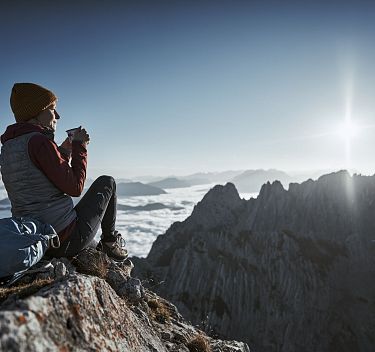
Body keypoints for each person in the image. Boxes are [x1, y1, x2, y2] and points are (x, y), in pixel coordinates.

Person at [0, 82, 128, 261]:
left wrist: (64, 151)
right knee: (107, 182)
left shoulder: (9, 146)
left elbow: (37, 177)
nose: (57, 115)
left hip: (33, 238)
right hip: (64, 239)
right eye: (52, 109)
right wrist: (80, 147)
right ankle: (110, 242)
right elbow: (75, 188)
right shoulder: (39, 142)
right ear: (37, 112)